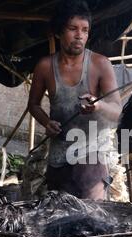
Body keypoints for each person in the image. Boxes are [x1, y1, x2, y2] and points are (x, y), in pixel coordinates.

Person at [27, 0, 122, 201]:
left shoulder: (100, 64)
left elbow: (117, 111)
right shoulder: (45, 67)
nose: (80, 35)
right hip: (58, 158)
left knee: (92, 221)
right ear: (59, 32)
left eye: (85, 30)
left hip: (92, 159)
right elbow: (33, 105)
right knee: (58, 220)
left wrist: (98, 105)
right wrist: (46, 122)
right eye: (73, 29)